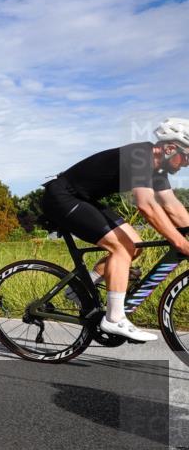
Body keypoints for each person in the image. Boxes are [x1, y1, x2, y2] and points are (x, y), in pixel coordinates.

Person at [42, 118, 189, 342]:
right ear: (170, 148)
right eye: (187, 157)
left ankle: (81, 288)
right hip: (61, 197)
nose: (187, 164)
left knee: (134, 246)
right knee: (121, 247)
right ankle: (114, 319)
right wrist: (180, 243)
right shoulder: (140, 156)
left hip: (84, 198)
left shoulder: (158, 170)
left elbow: (173, 207)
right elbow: (146, 205)